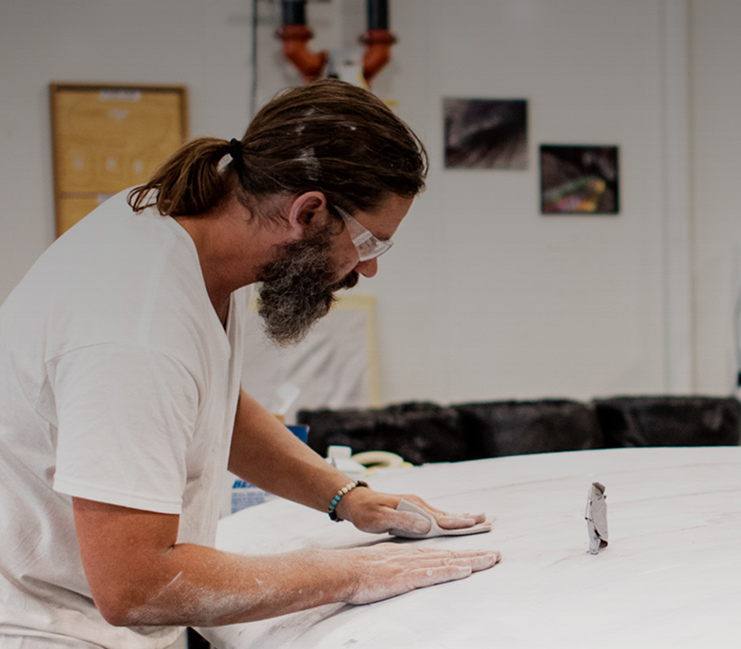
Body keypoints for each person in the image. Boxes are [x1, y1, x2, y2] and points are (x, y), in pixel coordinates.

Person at [0, 80, 499, 649]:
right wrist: (352, 575)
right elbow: (135, 585)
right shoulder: (133, 325)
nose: (369, 268)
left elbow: (211, 409)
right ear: (308, 211)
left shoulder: (185, 241)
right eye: (370, 244)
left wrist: (345, 496)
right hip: (48, 633)